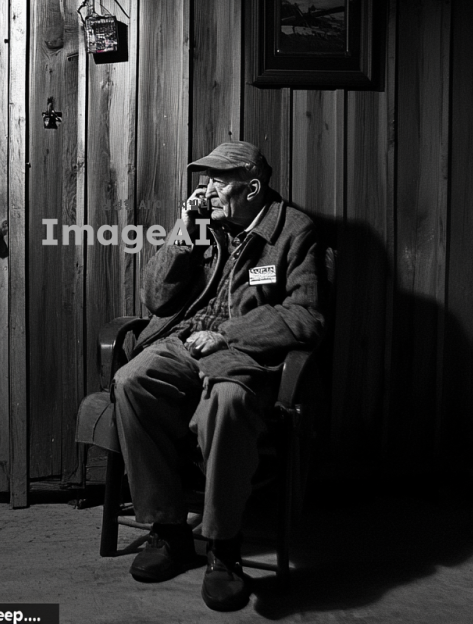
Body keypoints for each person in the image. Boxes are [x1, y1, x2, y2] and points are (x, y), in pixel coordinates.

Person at [112, 140, 325, 611]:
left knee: (227, 402)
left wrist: (227, 335)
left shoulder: (294, 231)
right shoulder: (205, 224)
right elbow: (156, 298)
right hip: (186, 338)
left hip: (243, 349)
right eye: (206, 178)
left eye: (218, 180)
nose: (207, 189)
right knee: (132, 381)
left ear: (252, 187)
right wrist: (183, 232)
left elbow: (306, 316)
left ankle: (224, 549)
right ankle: (169, 530)